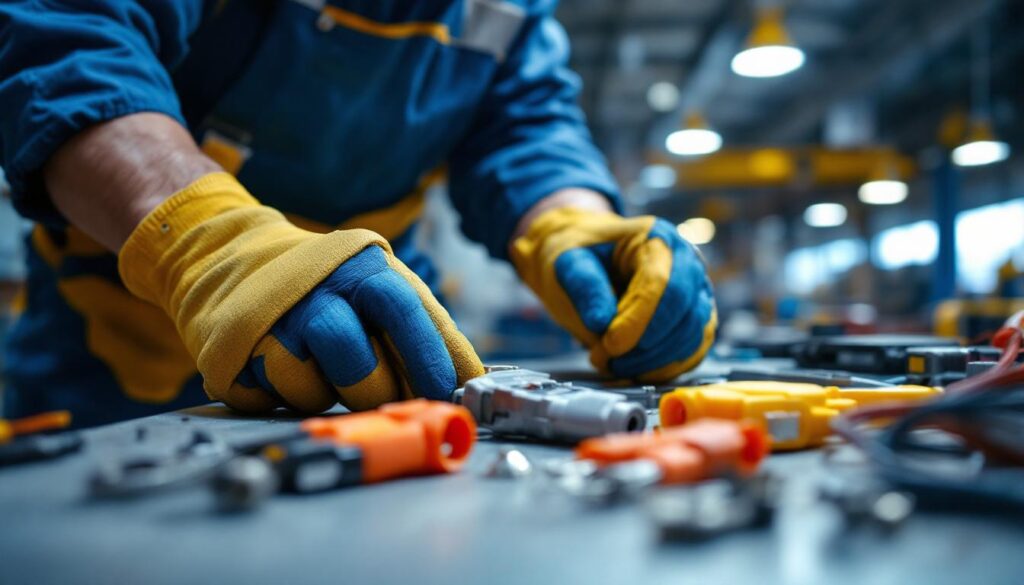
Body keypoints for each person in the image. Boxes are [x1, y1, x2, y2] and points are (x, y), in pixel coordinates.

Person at [0, 0, 716, 428]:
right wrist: (212, 246)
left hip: (372, 356)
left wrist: (573, 220)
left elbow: (528, 127)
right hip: (110, 368)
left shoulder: (509, 11)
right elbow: (71, 46)